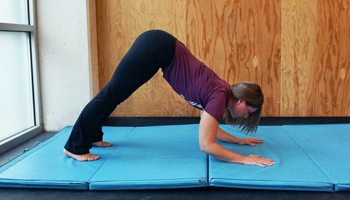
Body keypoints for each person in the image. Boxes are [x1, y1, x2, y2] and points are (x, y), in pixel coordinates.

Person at [63, 30, 275, 167]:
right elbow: (206, 145)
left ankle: (91, 135)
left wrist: (240, 141)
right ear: (241, 101)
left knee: (114, 95)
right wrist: (244, 160)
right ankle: (75, 147)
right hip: (156, 47)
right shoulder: (219, 96)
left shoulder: (221, 94)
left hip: (159, 48)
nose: (246, 116)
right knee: (111, 94)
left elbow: (211, 130)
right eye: (249, 111)